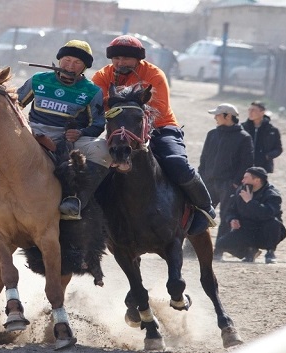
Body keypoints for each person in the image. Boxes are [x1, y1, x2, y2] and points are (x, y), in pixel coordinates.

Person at [0, 40, 111, 220]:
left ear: (84, 67)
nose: (70, 66)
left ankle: (76, 200)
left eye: (77, 63)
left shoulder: (92, 91)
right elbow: (13, 106)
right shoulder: (38, 80)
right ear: (59, 61)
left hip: (69, 139)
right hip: (32, 133)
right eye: (67, 60)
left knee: (103, 150)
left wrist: (81, 133)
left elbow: (98, 124)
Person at [92, 34, 216, 235]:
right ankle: (92, 214)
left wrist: (119, 107)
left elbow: (158, 108)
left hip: (160, 127)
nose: (120, 62)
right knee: (94, 163)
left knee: (177, 163)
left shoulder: (154, 75)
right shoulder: (102, 76)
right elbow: (96, 105)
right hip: (119, 129)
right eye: (116, 58)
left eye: (125, 58)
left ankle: (204, 208)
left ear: (137, 59)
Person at [199, 103, 253, 244]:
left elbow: (246, 163)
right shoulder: (212, 134)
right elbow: (204, 159)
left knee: (226, 216)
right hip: (209, 182)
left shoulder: (244, 137)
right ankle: (191, 249)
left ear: (228, 116)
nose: (215, 117)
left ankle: (220, 249)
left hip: (229, 184)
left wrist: (235, 183)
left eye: (218, 114)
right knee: (202, 215)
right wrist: (202, 177)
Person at [215, 167, 286, 264]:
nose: (242, 180)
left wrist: (250, 202)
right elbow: (231, 210)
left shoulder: (272, 194)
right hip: (247, 229)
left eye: (246, 178)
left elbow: (267, 213)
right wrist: (232, 219)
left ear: (257, 180)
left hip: (265, 230)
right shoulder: (242, 191)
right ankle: (249, 252)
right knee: (221, 244)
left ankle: (270, 252)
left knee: (274, 223)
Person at [241, 101, 282, 173]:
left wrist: (267, 156)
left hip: (263, 167)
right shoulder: (242, 127)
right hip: (243, 166)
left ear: (262, 112)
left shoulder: (272, 130)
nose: (250, 112)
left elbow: (278, 149)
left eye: (253, 110)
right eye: (249, 110)